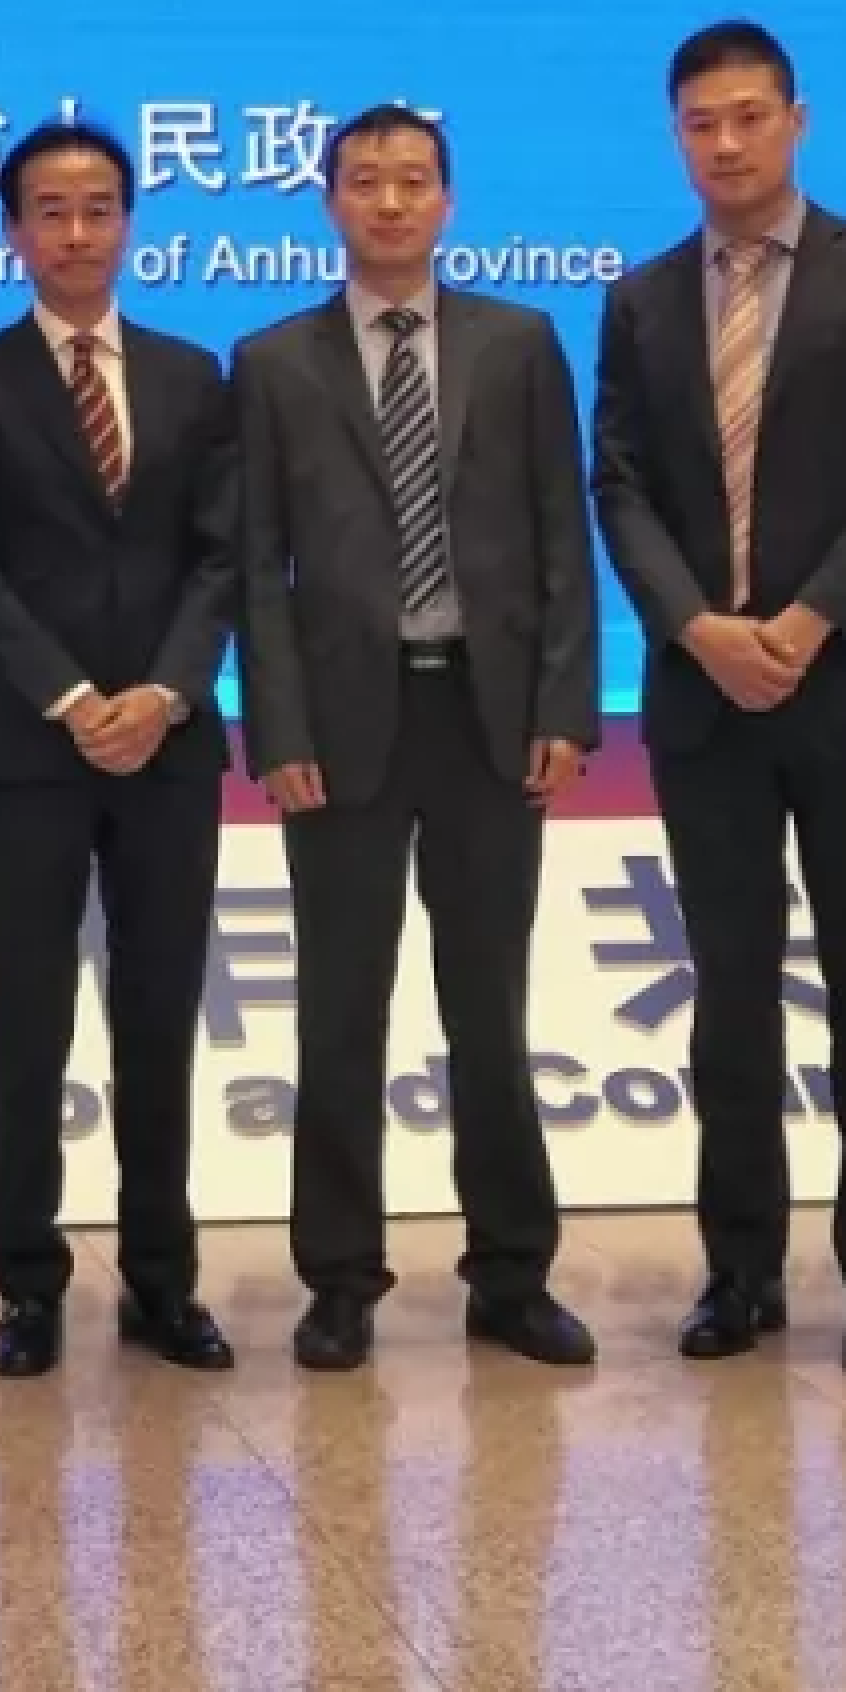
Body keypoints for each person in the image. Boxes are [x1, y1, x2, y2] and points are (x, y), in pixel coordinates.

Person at [589, 19, 846, 1383]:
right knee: (730, 992)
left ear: (796, 121)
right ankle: (738, 1271)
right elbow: (619, 485)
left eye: (749, 116)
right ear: (676, 137)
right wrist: (698, 628)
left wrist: (804, 623)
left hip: (845, 687)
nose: (727, 144)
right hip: (706, 698)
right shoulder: (639, 300)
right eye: (701, 124)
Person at [230, 103, 602, 1373]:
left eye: (412, 181)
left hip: (490, 720)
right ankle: (340, 1279)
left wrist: (564, 708)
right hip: (341, 728)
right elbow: (257, 569)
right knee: (341, 1009)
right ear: (329, 201)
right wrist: (277, 725)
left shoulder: (519, 343)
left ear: (448, 200)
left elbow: (561, 538)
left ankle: (513, 1274)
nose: (389, 203)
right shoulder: (273, 362)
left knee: (489, 1008)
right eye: (364, 182)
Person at [0, 119, 241, 1378]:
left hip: (169, 746)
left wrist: (162, 693)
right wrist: (69, 697)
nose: (75, 232)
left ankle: (163, 1281)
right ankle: (29, 1285)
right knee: (30, 1021)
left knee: (159, 1016)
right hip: (28, 748)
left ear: (129, 223)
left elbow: (222, 556)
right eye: (49, 211)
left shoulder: (192, 375)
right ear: (11, 230)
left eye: (98, 207)